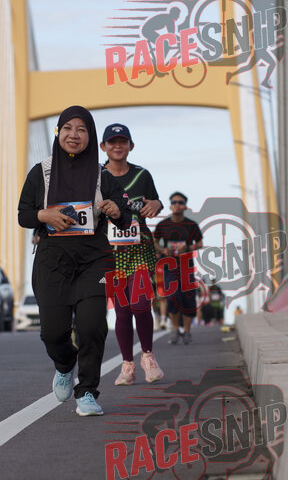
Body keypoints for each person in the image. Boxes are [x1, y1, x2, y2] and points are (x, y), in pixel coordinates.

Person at [18, 105, 132, 416]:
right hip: (52, 260)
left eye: (82, 130)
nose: (74, 135)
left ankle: (87, 392)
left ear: (90, 136)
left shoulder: (102, 175)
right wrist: (45, 215)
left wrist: (115, 210)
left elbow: (124, 216)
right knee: (52, 332)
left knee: (92, 326)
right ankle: (65, 364)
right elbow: (24, 215)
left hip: (93, 260)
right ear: (58, 132)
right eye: (68, 128)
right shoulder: (41, 172)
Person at [99, 123, 165, 386]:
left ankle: (148, 356)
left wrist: (157, 204)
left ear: (131, 146)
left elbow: (154, 202)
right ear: (103, 147)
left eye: (122, 141)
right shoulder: (96, 177)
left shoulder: (142, 175)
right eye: (112, 142)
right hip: (110, 253)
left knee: (140, 304)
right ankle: (127, 365)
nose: (117, 146)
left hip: (139, 250)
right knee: (123, 311)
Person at [153, 192, 203, 345]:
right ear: (170, 206)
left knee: (188, 300)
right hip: (169, 267)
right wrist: (163, 250)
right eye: (174, 202)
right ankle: (175, 329)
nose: (177, 205)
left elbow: (200, 243)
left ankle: (187, 332)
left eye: (180, 202)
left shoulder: (191, 225)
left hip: (187, 267)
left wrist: (188, 248)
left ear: (185, 206)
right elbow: (154, 241)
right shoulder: (163, 225)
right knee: (173, 297)